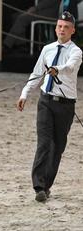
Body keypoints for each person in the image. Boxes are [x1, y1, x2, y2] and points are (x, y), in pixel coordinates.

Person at [16, 11, 82, 202]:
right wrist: (24, 93)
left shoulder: (76, 52)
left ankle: (47, 185)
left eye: (66, 27)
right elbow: (37, 73)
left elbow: (69, 67)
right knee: (44, 143)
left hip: (65, 105)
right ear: (55, 28)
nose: (62, 30)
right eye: (60, 26)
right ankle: (38, 186)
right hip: (45, 101)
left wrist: (56, 69)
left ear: (72, 31)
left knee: (57, 147)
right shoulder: (47, 49)